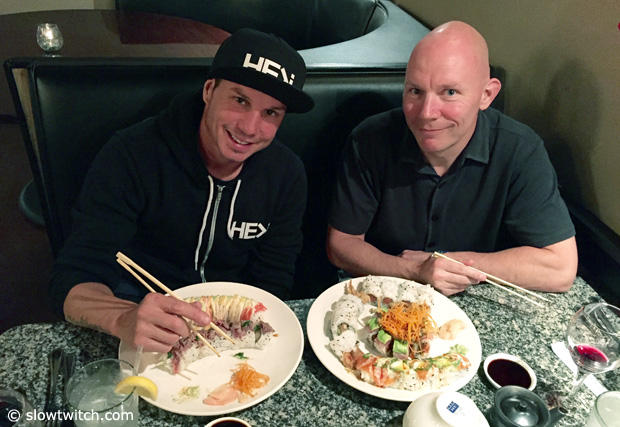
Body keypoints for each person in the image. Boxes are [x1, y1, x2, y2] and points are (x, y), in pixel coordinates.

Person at [50, 28, 314, 352]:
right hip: (137, 306)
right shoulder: (132, 154)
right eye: (240, 100)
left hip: (229, 323)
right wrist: (123, 317)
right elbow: (72, 281)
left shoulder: (286, 174)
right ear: (209, 90)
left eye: (270, 112)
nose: (249, 128)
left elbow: (274, 279)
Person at [327, 21, 577, 296]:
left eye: (449, 93)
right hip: (381, 293)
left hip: (471, 300)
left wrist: (447, 263)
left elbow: (560, 269)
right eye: (415, 91)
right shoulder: (370, 139)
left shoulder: (520, 150)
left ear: (486, 95)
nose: (426, 113)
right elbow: (341, 244)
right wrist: (413, 271)